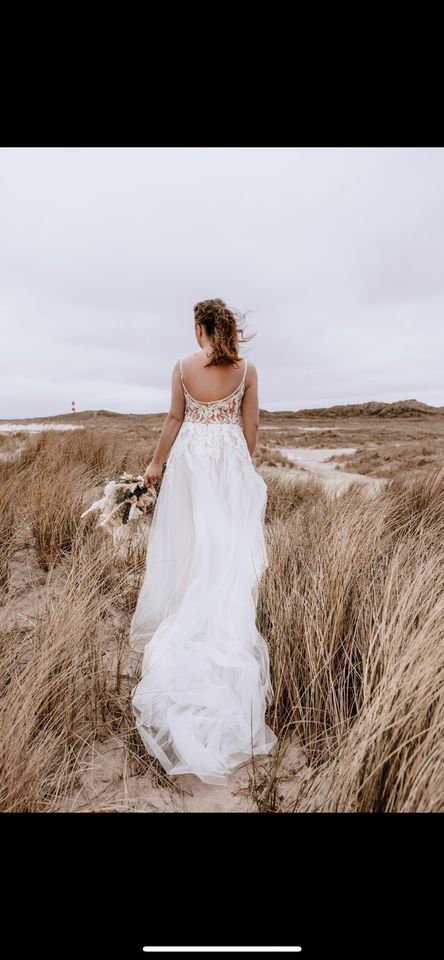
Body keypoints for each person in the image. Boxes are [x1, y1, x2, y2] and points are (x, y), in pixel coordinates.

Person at [129, 298, 277, 785]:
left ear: (199, 328)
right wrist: (236, 462)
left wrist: (156, 465)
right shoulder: (248, 369)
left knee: (191, 549)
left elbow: (174, 419)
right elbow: (249, 428)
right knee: (225, 552)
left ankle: (185, 635)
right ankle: (218, 629)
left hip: (191, 462)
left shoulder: (182, 366)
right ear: (228, 328)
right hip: (227, 463)